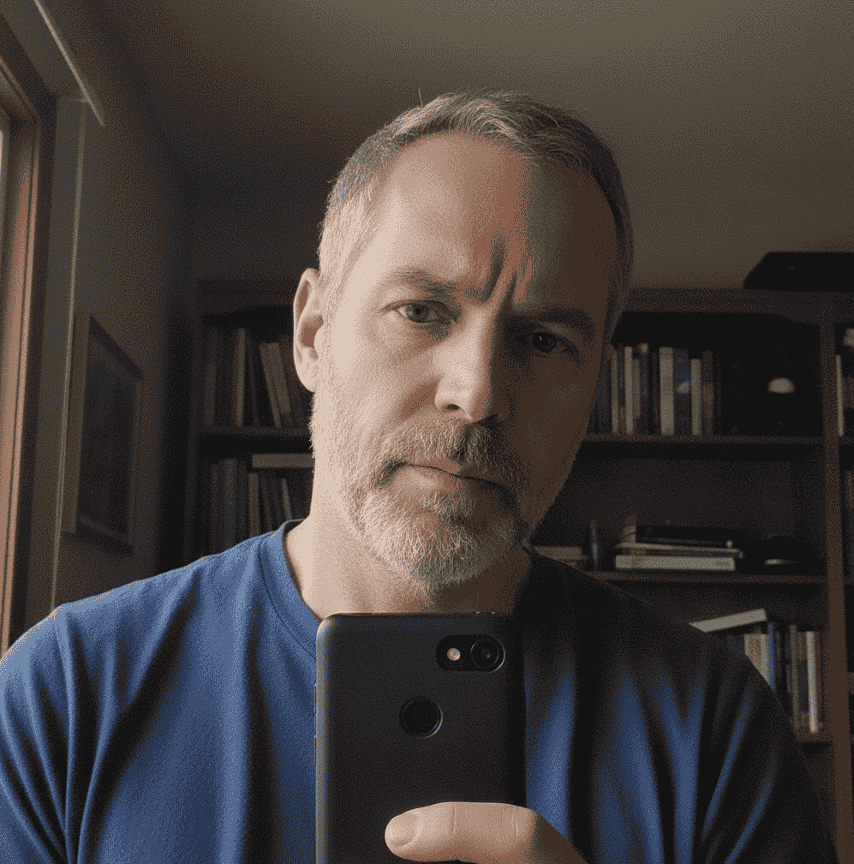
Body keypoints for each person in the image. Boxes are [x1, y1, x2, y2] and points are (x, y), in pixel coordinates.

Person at [0, 91, 837, 863]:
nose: (476, 393)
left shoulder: (714, 725)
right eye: (422, 311)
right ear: (312, 333)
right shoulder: (66, 695)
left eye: (543, 340)